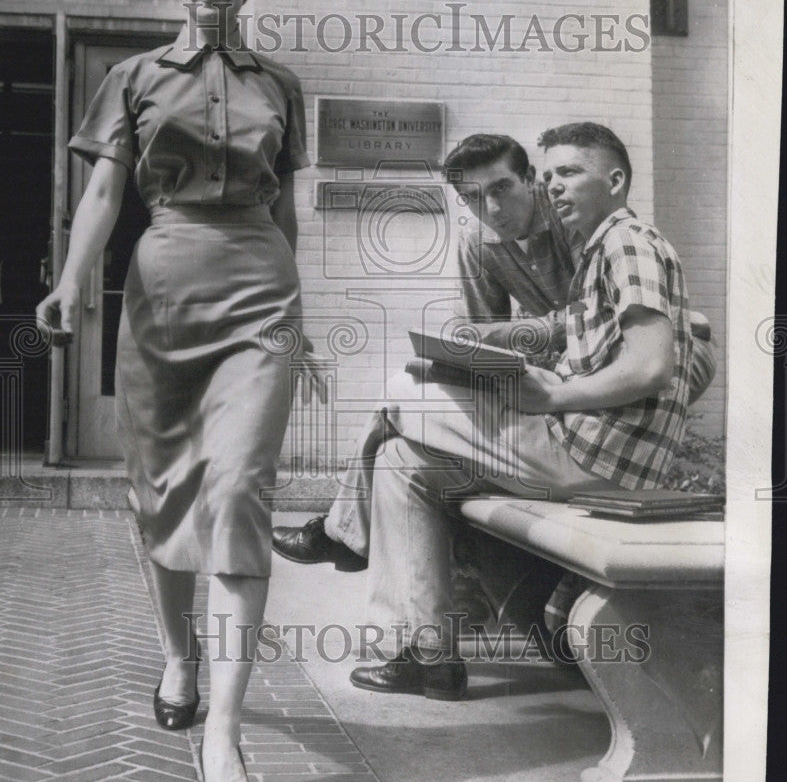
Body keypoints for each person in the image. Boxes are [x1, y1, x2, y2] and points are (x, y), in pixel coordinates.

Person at [36, 0, 321, 782]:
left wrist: (297, 321)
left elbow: (283, 212)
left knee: (239, 490)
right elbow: (105, 192)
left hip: (260, 297)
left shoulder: (281, 84)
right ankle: (176, 654)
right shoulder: (130, 76)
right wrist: (73, 282)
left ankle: (223, 734)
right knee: (159, 491)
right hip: (161, 289)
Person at [279, 122, 694, 698]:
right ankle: (429, 657)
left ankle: (341, 531)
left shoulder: (622, 242)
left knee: (401, 389)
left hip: (594, 451)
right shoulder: (583, 244)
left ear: (616, 180)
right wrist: (482, 358)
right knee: (402, 462)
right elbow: (559, 340)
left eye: (565, 174)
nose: (553, 189)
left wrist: (553, 392)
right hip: (575, 436)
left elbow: (653, 365)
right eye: (551, 177)